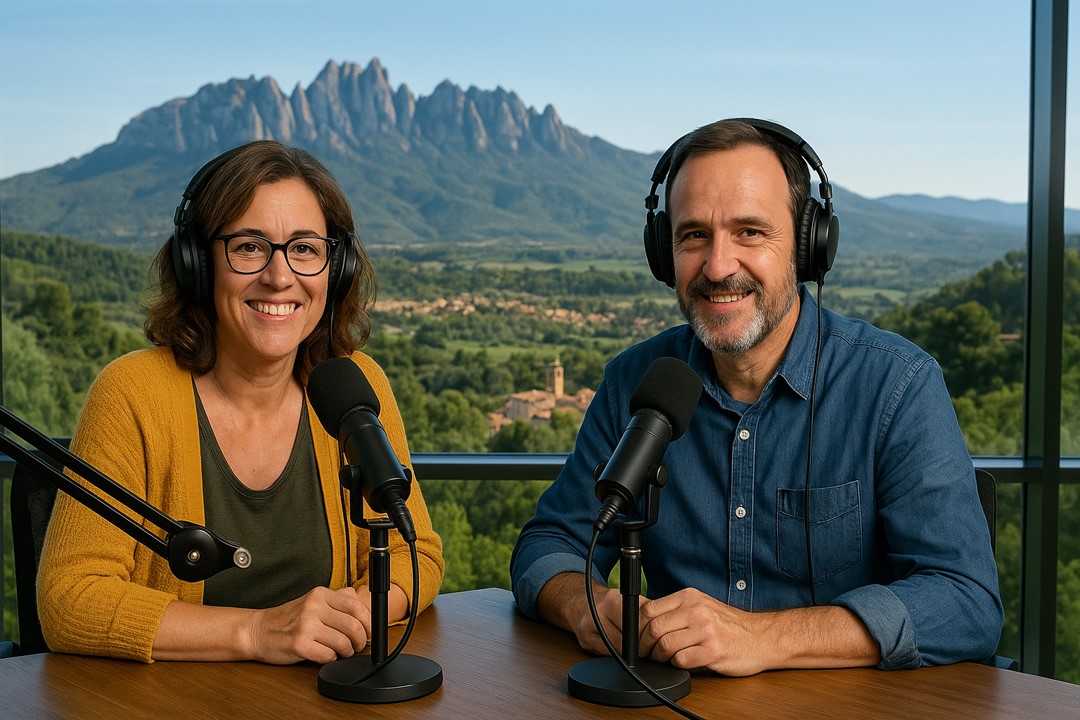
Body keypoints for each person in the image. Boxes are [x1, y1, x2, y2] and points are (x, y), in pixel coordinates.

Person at [510, 119, 1003, 675]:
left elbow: (966, 601)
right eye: (693, 235)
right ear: (661, 250)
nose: (718, 267)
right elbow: (549, 543)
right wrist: (591, 605)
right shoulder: (634, 383)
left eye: (750, 232)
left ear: (808, 243)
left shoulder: (897, 385)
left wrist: (765, 637)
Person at [38, 140, 443, 664]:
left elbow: (419, 555)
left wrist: (347, 618)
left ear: (334, 268)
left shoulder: (355, 384)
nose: (279, 276)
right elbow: (70, 599)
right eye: (249, 247)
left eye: (304, 248)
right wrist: (256, 633)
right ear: (197, 264)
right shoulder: (132, 394)